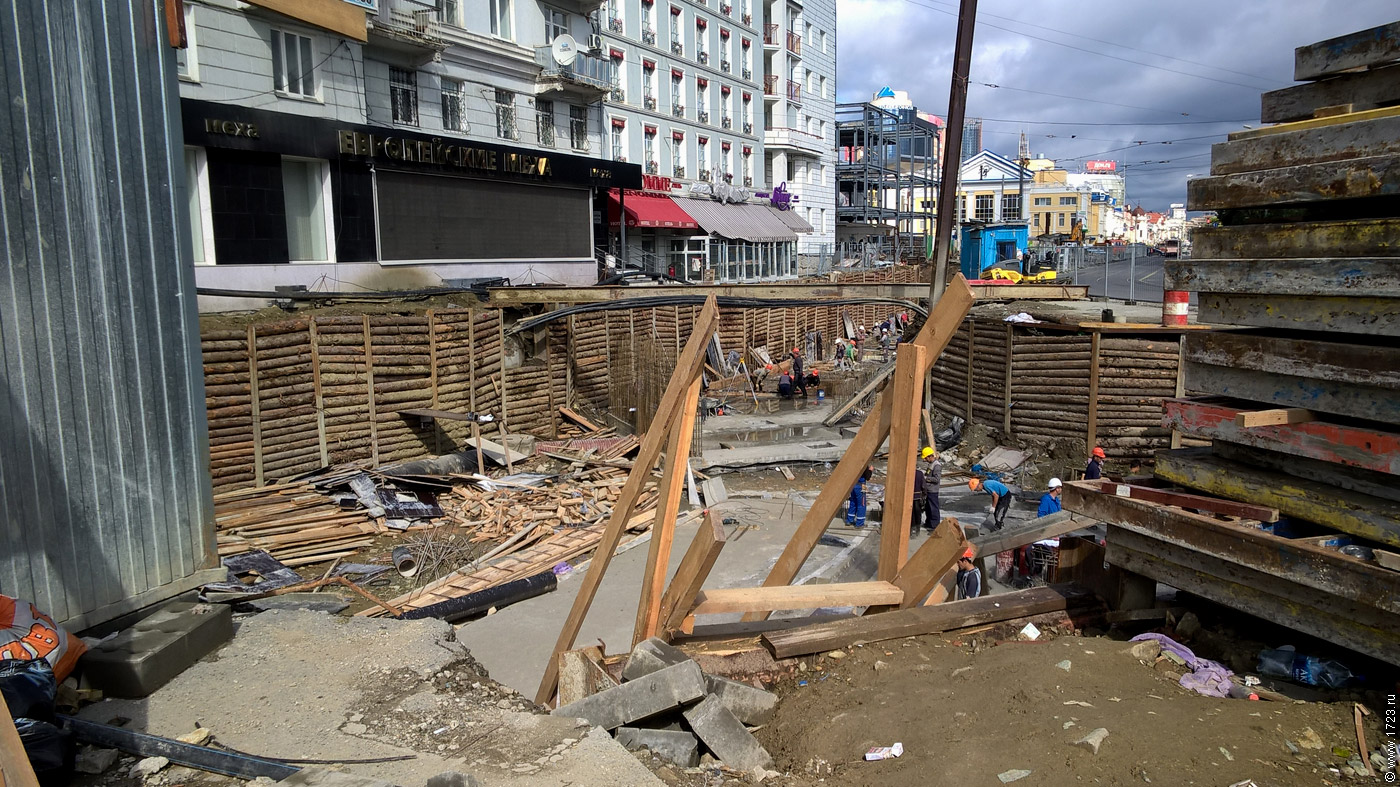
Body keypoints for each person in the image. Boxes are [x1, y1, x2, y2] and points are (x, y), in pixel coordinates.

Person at [921, 446, 942, 531]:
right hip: (929, 489)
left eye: (926, 458)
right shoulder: (931, 464)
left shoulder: (936, 466)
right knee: (928, 508)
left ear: (930, 456)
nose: (925, 460)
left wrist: (926, 478)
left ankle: (935, 526)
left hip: (933, 490)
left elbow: (936, 479)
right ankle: (929, 523)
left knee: (933, 508)